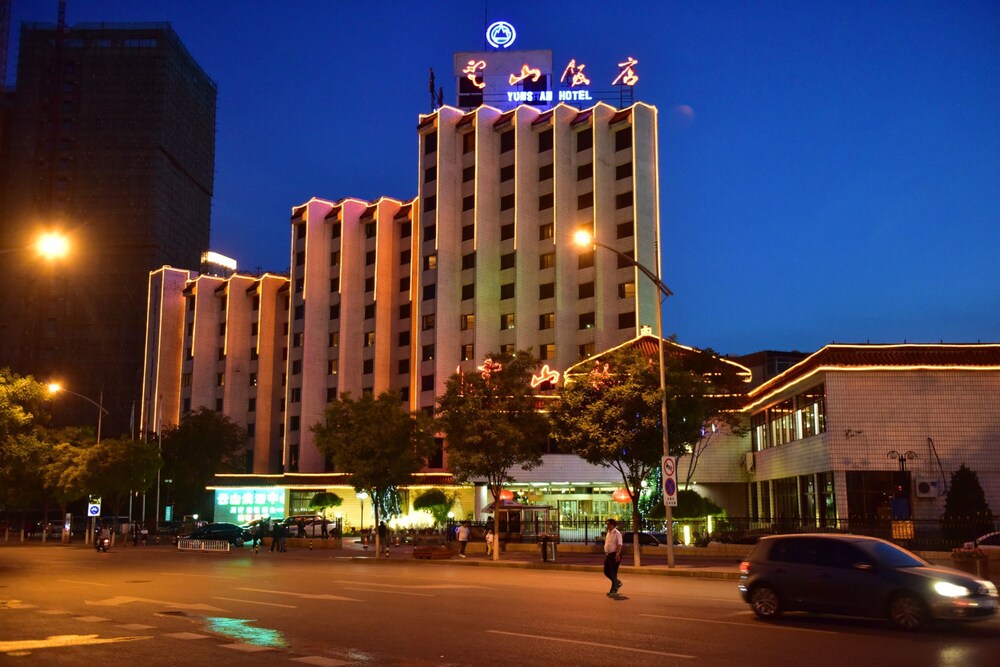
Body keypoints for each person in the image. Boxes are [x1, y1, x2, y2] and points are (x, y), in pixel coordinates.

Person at [603, 518, 623, 596]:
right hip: (608, 554)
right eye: (607, 524)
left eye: (608, 524)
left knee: (613, 572)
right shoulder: (608, 532)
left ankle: (613, 590)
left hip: (615, 555)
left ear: (612, 525)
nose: (607, 526)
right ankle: (617, 582)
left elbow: (619, 544)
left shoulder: (617, 533)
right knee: (606, 571)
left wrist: (617, 554)